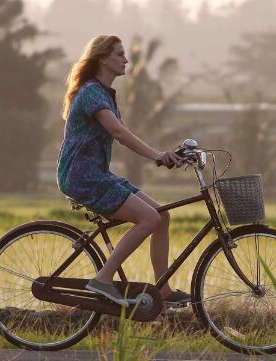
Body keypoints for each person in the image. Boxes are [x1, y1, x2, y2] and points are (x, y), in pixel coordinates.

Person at [57, 35, 188, 307]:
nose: (126, 59)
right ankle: (103, 279)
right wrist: (156, 155)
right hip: (83, 177)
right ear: (103, 58)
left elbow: (123, 131)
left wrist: (166, 155)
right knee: (149, 219)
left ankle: (162, 290)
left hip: (98, 175)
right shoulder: (92, 92)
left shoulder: (105, 94)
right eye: (119, 54)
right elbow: (118, 132)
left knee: (162, 216)